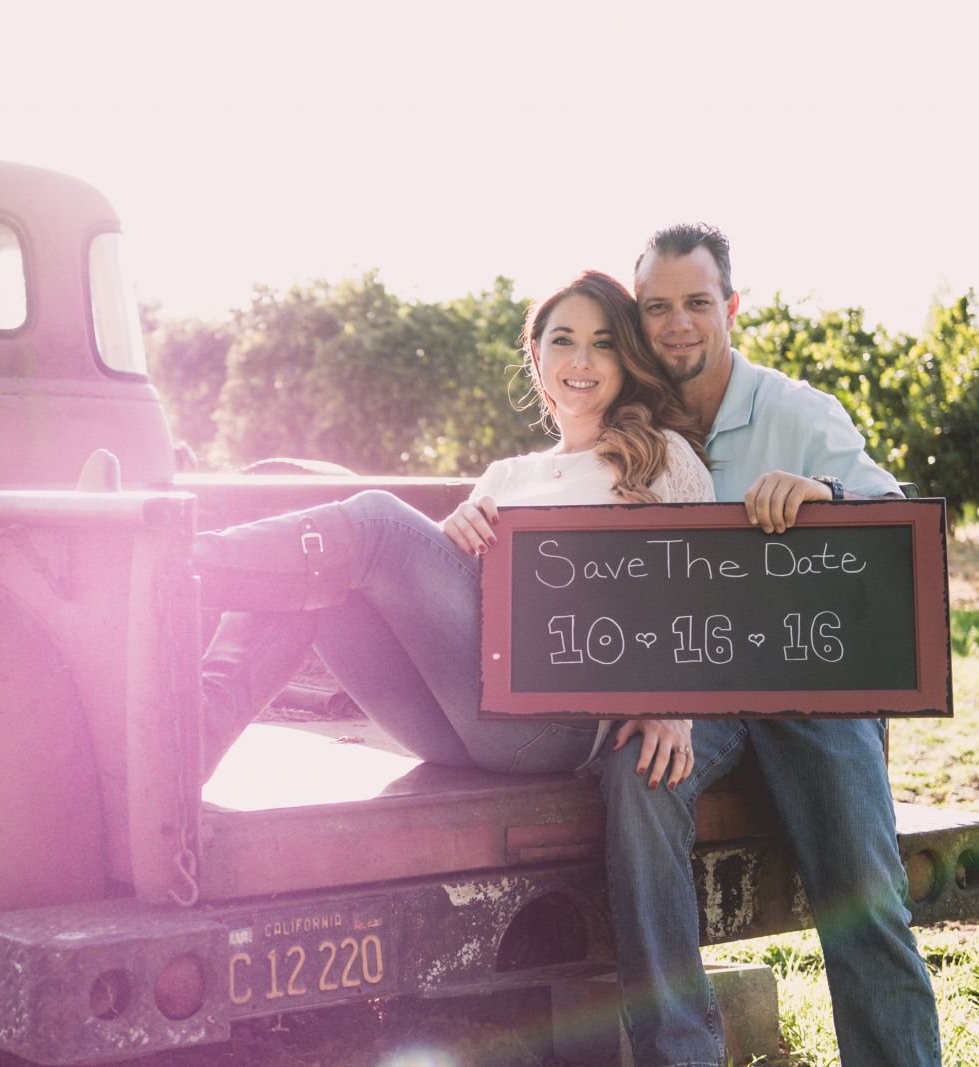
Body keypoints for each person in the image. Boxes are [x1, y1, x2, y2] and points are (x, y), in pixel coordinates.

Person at [598, 223, 941, 1067]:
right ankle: (680, 1052)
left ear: (731, 308)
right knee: (633, 775)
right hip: (700, 698)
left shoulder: (796, 408)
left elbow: (892, 529)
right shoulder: (634, 426)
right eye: (655, 307)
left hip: (810, 688)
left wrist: (823, 492)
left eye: (696, 303)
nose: (677, 324)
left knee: (865, 897)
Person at [195, 270, 714, 782]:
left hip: (556, 724)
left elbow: (705, 595)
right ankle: (190, 747)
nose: (581, 359)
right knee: (310, 579)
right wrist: (451, 536)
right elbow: (453, 619)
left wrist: (675, 705)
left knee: (377, 518)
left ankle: (183, 567)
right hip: (453, 727)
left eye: (603, 343)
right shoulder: (505, 476)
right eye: (563, 340)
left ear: (626, 358)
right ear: (537, 355)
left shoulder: (660, 456)